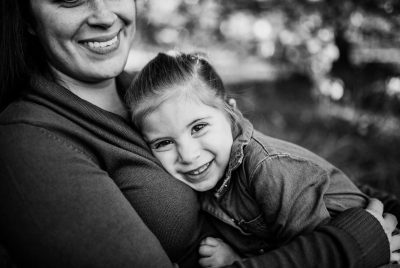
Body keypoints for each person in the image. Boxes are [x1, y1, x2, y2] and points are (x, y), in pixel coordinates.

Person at [0, 0, 399, 267]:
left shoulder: (150, 93)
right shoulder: (30, 142)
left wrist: (385, 210)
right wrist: (353, 241)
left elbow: (294, 173)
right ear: (29, 17)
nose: (105, 16)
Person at [124, 51, 399, 267]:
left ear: (231, 112)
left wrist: (238, 262)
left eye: (198, 127)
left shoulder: (267, 169)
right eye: (164, 143)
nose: (188, 155)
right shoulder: (210, 176)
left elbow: (320, 255)